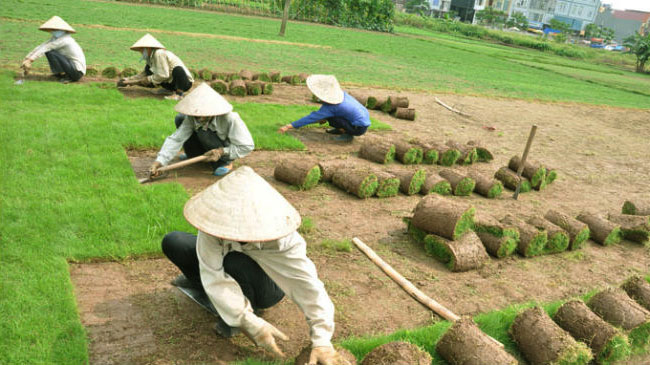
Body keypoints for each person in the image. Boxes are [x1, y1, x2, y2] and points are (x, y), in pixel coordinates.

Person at [162, 166, 349, 364]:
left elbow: (308, 287)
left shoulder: (283, 239)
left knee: (235, 261)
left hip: (267, 287)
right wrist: (247, 320)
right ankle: (216, 297)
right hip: (231, 267)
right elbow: (212, 272)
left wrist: (322, 341)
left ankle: (246, 309)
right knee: (175, 242)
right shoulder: (214, 226)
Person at [149, 83, 254, 177]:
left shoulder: (230, 119)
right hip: (205, 144)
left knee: (204, 132)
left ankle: (224, 163)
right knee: (180, 118)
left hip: (223, 149)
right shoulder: (192, 117)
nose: (198, 118)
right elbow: (177, 139)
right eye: (196, 115)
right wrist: (160, 161)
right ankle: (193, 155)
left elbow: (247, 146)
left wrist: (222, 151)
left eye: (202, 115)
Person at [277, 75, 370, 142]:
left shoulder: (332, 107)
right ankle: (342, 128)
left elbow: (311, 118)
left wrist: (288, 126)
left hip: (358, 128)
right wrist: (322, 118)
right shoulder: (343, 94)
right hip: (363, 120)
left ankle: (348, 134)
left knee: (331, 119)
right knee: (329, 117)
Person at [118, 33, 193, 100]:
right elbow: (145, 73)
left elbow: (164, 75)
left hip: (184, 82)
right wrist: (128, 80)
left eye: (142, 49)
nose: (141, 52)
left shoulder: (159, 53)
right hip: (171, 83)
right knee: (150, 70)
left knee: (178, 70)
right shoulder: (150, 58)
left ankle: (178, 94)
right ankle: (170, 90)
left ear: (148, 48)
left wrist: (148, 79)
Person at [21, 16, 86, 83]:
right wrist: (27, 58)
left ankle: (69, 77)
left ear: (62, 30)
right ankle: (59, 74)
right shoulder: (55, 39)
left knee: (50, 52)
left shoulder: (66, 40)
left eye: (55, 30)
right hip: (70, 67)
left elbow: (47, 47)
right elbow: (41, 46)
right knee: (49, 52)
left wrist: (31, 60)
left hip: (77, 72)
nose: (52, 31)